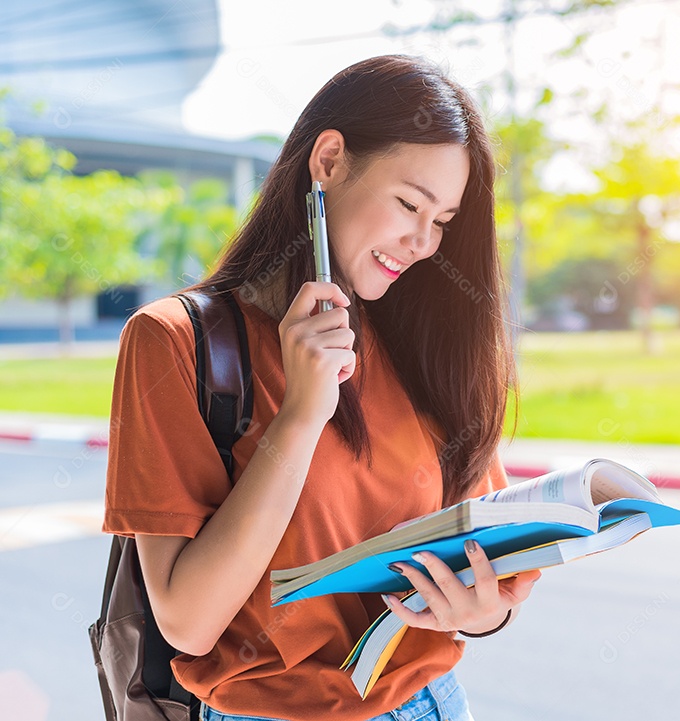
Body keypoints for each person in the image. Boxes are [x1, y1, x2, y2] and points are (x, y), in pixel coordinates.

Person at [103, 54, 540, 721]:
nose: (423, 242)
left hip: (430, 702)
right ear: (329, 160)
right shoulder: (173, 342)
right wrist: (302, 415)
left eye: (443, 221)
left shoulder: (424, 344)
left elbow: (490, 562)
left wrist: (483, 613)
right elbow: (188, 623)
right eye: (408, 204)